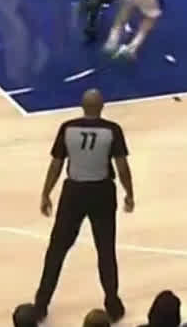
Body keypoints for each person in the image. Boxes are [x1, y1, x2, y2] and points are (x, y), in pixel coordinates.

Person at [32, 87, 133, 324]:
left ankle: (41, 304)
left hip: (73, 193)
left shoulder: (67, 128)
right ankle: (113, 304)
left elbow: (56, 164)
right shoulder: (112, 130)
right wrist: (129, 193)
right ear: (102, 107)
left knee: (56, 250)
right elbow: (122, 166)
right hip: (102, 192)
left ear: (82, 106)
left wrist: (46, 193)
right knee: (106, 250)